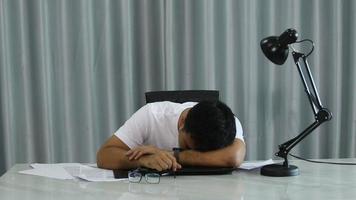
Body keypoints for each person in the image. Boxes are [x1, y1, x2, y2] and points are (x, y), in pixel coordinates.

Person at [97, 100, 245, 172]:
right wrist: (143, 160)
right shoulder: (151, 115)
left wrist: (174, 156)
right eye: (187, 146)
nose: (191, 151)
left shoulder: (226, 122)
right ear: (182, 122)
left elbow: (235, 157)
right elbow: (104, 155)